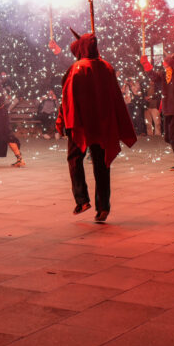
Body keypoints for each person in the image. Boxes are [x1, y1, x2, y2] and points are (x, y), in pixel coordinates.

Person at [56, 31, 137, 222]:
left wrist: (61, 120)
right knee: (101, 164)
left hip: (81, 122)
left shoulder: (77, 68)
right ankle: (103, 207)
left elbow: (67, 98)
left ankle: (82, 199)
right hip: (102, 122)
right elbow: (114, 96)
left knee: (75, 158)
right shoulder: (107, 67)